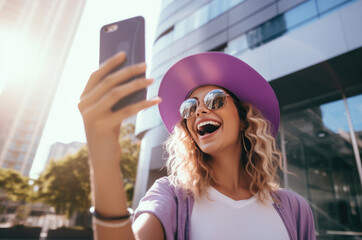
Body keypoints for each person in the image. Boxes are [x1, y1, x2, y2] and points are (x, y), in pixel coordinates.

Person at [79, 52, 316, 240]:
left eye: (215, 99)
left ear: (244, 120)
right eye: (189, 108)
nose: (200, 111)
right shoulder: (171, 196)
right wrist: (104, 165)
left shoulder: (294, 208)